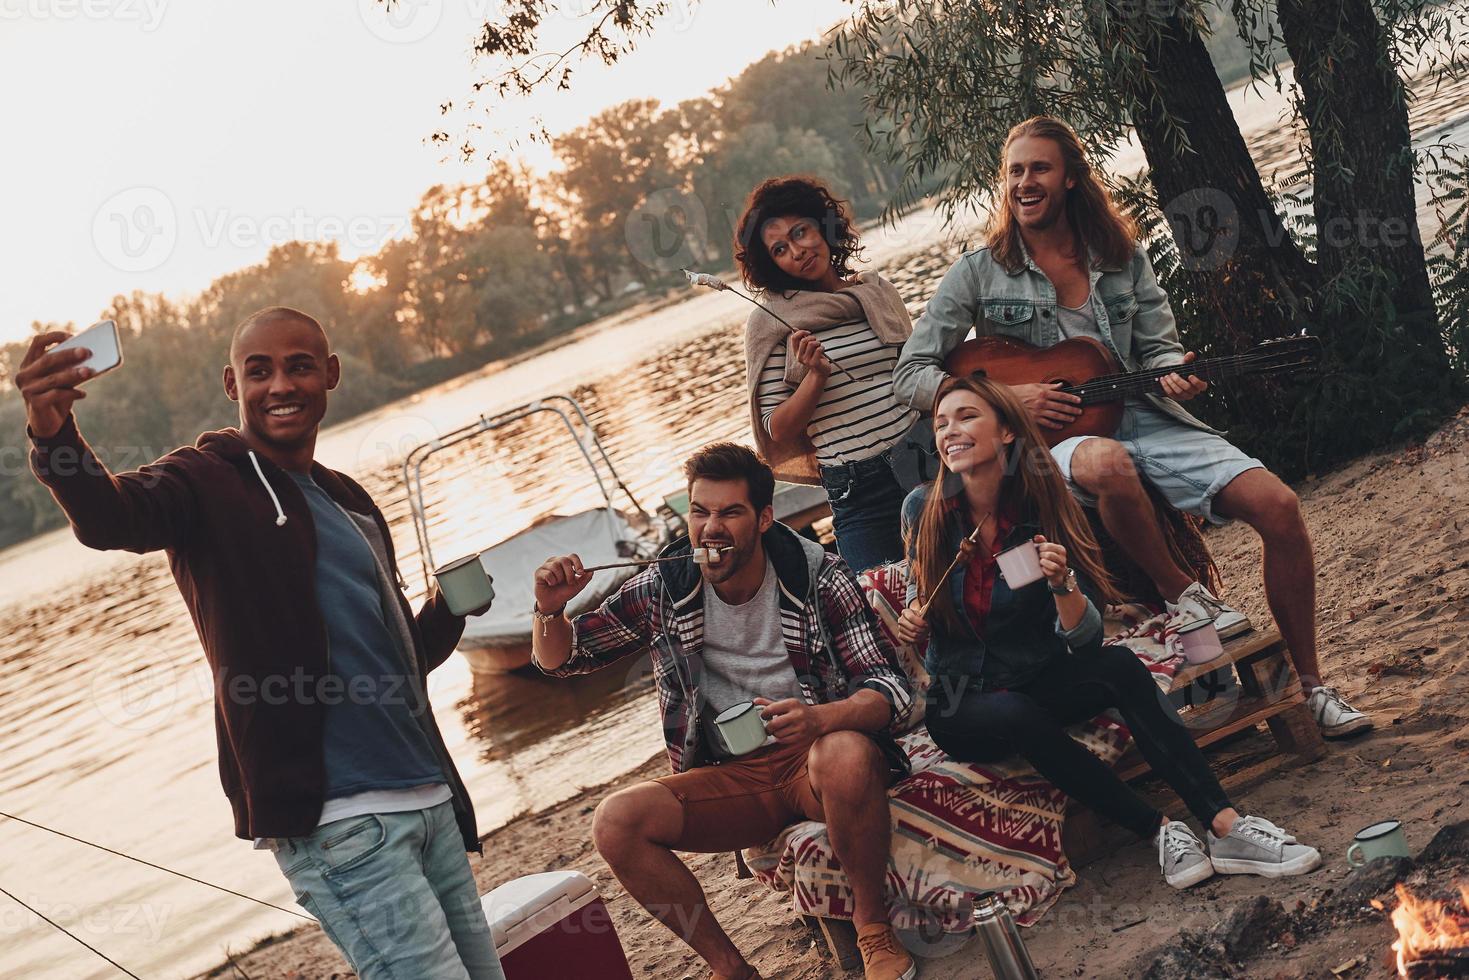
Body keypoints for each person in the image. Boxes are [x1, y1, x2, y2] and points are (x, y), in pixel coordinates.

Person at [20, 308, 505, 980]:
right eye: (260, 370)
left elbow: (401, 663)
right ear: (232, 385)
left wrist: (449, 612)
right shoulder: (201, 480)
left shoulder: (347, 499)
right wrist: (53, 431)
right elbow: (111, 518)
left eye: (300, 365)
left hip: (426, 799)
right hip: (340, 825)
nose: (281, 384)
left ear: (329, 374)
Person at [892, 115, 1371, 739]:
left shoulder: (1122, 259)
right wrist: (1008, 399)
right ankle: (1186, 595)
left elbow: (1158, 352)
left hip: (1145, 414)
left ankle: (1313, 689)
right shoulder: (980, 271)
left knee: (1278, 505)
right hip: (1050, 444)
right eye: (1014, 172)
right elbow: (911, 375)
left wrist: (1176, 374)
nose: (1025, 182)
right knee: (1108, 464)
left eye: (1039, 168)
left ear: (1069, 178)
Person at [896, 374, 1322, 889]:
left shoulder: (1041, 505)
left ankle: (1224, 824)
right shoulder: (925, 509)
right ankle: (1159, 830)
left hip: (1038, 673)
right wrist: (915, 613)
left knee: (1120, 666)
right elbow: (927, 597)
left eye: (966, 417)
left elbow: (1084, 639)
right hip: (964, 700)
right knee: (1015, 710)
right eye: (941, 423)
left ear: (1007, 432)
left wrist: (1061, 584)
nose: (949, 431)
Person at [531, 443, 917, 980]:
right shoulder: (665, 586)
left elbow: (891, 689)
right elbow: (563, 660)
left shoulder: (818, 575)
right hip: (736, 780)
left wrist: (819, 719)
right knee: (615, 821)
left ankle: (873, 930)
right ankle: (730, 968)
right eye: (700, 511)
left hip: (820, 764)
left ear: (763, 518)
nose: (711, 528)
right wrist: (550, 611)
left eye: (729, 513)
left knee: (845, 752)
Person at [737, 176, 928, 573]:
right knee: (886, 612)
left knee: (967, 584)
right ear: (772, 264)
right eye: (780, 249)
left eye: (800, 232)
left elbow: (915, 374)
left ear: (822, 225)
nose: (797, 251)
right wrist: (815, 378)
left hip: (923, 461)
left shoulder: (875, 292)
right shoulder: (772, 322)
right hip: (859, 489)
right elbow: (776, 429)